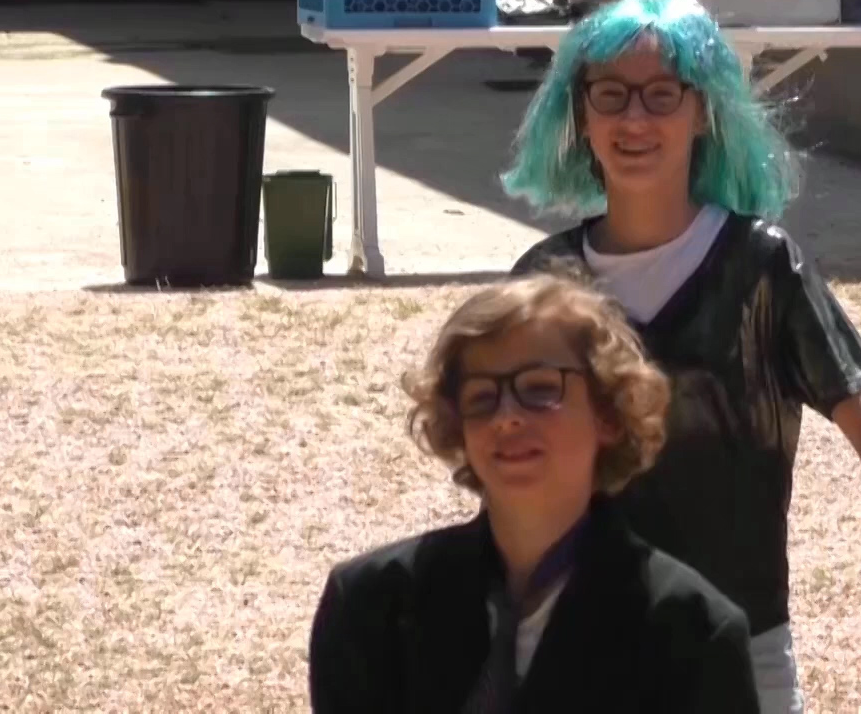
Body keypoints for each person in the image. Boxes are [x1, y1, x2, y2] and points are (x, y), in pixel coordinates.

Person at [501, 0, 861, 713]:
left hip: (739, 644)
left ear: (703, 111)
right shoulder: (543, 283)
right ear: (580, 115)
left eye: (662, 94)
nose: (635, 118)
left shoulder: (761, 266)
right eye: (611, 94)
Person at [307, 273, 761, 714]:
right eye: (482, 397)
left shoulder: (689, 633)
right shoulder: (372, 606)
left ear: (607, 414)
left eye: (540, 389)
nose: (506, 416)